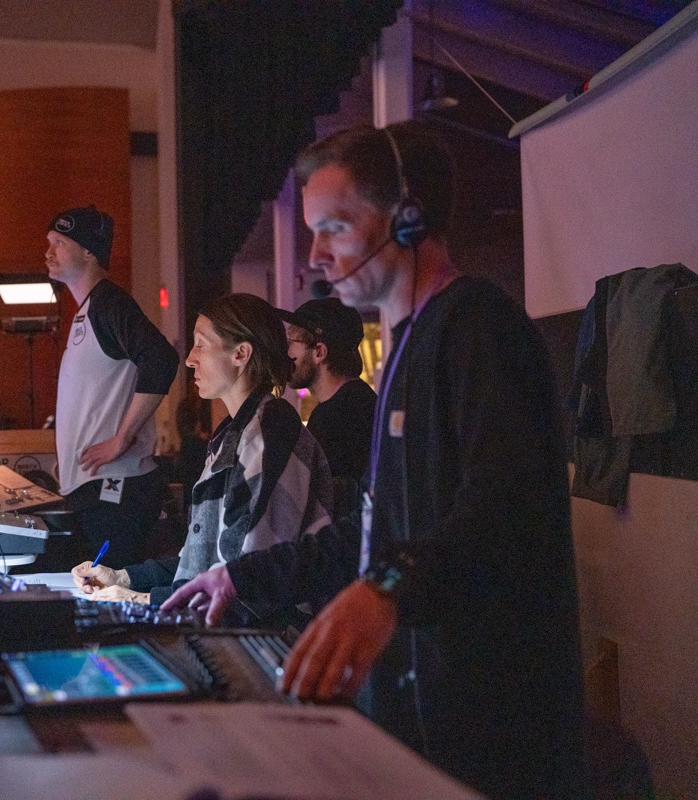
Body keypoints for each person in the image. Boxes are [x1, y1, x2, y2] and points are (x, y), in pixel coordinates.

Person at [164, 122, 585, 798]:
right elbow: (374, 525)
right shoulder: (410, 350)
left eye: (333, 227)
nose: (315, 254)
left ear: (408, 220)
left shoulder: (479, 325)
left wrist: (385, 589)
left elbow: (506, 507)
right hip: (423, 720)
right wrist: (238, 577)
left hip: (489, 740)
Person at [71, 293, 333, 608]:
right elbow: (196, 562)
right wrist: (122, 578)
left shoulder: (268, 436)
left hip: (268, 637)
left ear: (241, 354)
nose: (190, 359)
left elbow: (243, 584)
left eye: (201, 344)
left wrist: (138, 600)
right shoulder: (233, 435)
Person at [48, 205, 179, 569]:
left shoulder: (108, 302)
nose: (48, 252)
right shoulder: (89, 309)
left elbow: (161, 358)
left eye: (59, 242)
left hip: (117, 488)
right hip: (100, 488)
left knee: (112, 599)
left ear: (89, 251)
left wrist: (122, 437)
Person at [281, 297, 376, 485]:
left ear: (319, 352)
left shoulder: (338, 418)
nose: (286, 353)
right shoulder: (358, 401)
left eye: (291, 341)